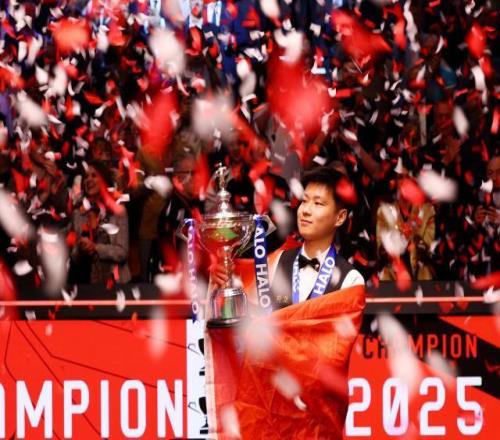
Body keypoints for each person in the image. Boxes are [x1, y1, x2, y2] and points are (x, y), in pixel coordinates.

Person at [211, 165, 364, 310]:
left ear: (340, 217)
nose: (306, 210)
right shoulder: (273, 263)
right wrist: (224, 279)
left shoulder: (351, 281)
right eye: (304, 201)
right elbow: (249, 317)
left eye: (318, 203)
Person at [69, 161, 131, 284]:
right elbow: (74, 257)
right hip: (86, 283)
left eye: (94, 176)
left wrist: (95, 248)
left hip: (114, 282)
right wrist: (80, 249)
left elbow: (122, 252)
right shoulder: (78, 213)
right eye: (86, 177)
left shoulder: (117, 211)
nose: (89, 180)